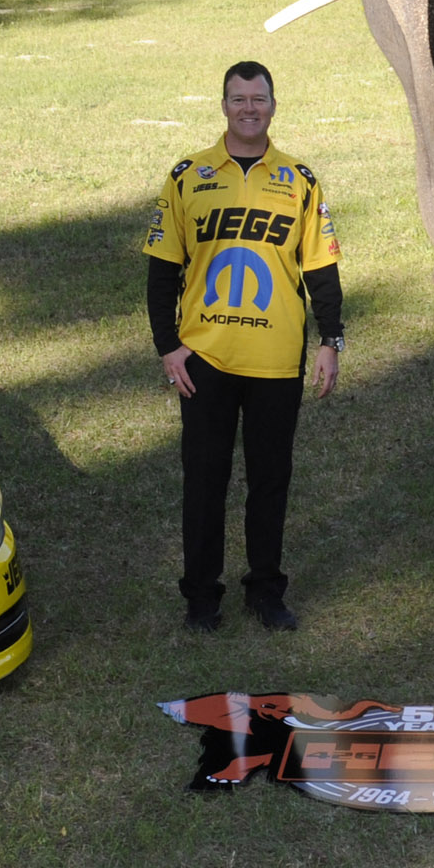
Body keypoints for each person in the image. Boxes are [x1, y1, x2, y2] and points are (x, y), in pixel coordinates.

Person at [145, 61, 343, 630]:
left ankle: (266, 590)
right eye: (238, 99)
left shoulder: (300, 179)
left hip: (277, 360)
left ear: (274, 106)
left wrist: (330, 341)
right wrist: (169, 347)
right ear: (224, 106)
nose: (249, 108)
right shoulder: (188, 175)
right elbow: (161, 272)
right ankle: (201, 597)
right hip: (204, 358)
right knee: (203, 481)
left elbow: (322, 270)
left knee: (270, 481)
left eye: (258, 99)